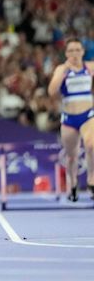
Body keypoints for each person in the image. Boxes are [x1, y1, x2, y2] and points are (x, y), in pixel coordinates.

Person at [48, 38, 94, 201]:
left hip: (88, 115)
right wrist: (63, 71)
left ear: (82, 52)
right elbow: (52, 91)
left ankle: (91, 180)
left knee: (91, 144)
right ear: (66, 53)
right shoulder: (62, 69)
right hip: (69, 118)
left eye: (77, 50)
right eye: (71, 51)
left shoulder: (90, 67)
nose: (74, 53)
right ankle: (73, 184)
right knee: (72, 156)